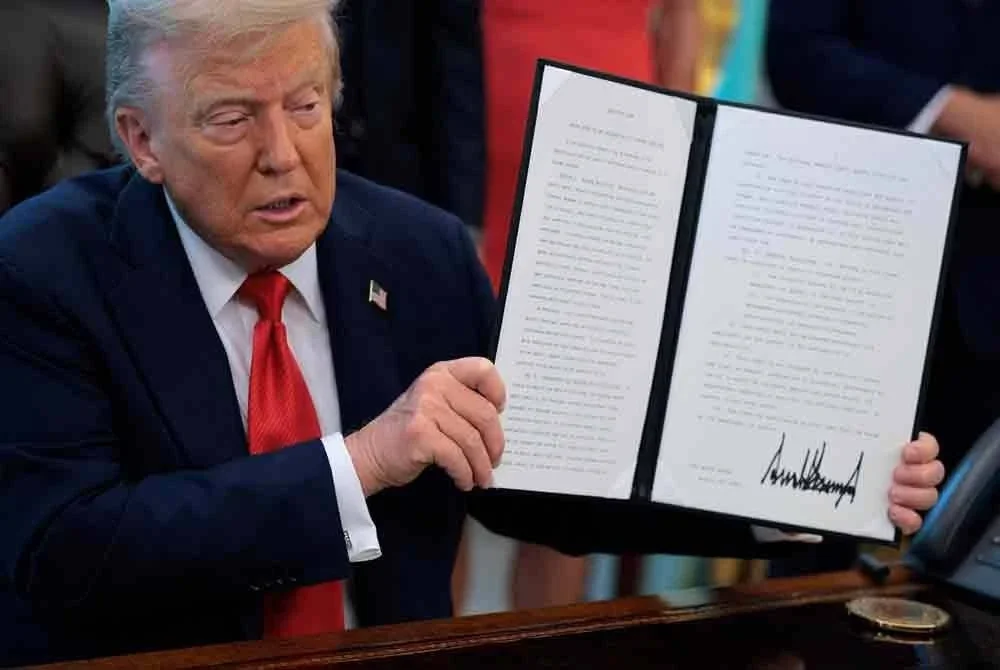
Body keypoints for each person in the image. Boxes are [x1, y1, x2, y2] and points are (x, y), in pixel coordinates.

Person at [0, 0, 944, 665]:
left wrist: (797, 484)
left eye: (306, 106)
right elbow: (67, 550)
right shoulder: (45, 269)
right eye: (231, 119)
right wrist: (361, 462)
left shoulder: (418, 252)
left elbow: (547, 485)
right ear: (141, 140)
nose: (282, 155)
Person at [764, 0, 1000, 576]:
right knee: (807, 542)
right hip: (850, 265)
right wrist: (952, 112)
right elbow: (797, 52)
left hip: (990, 294)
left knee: (973, 573)